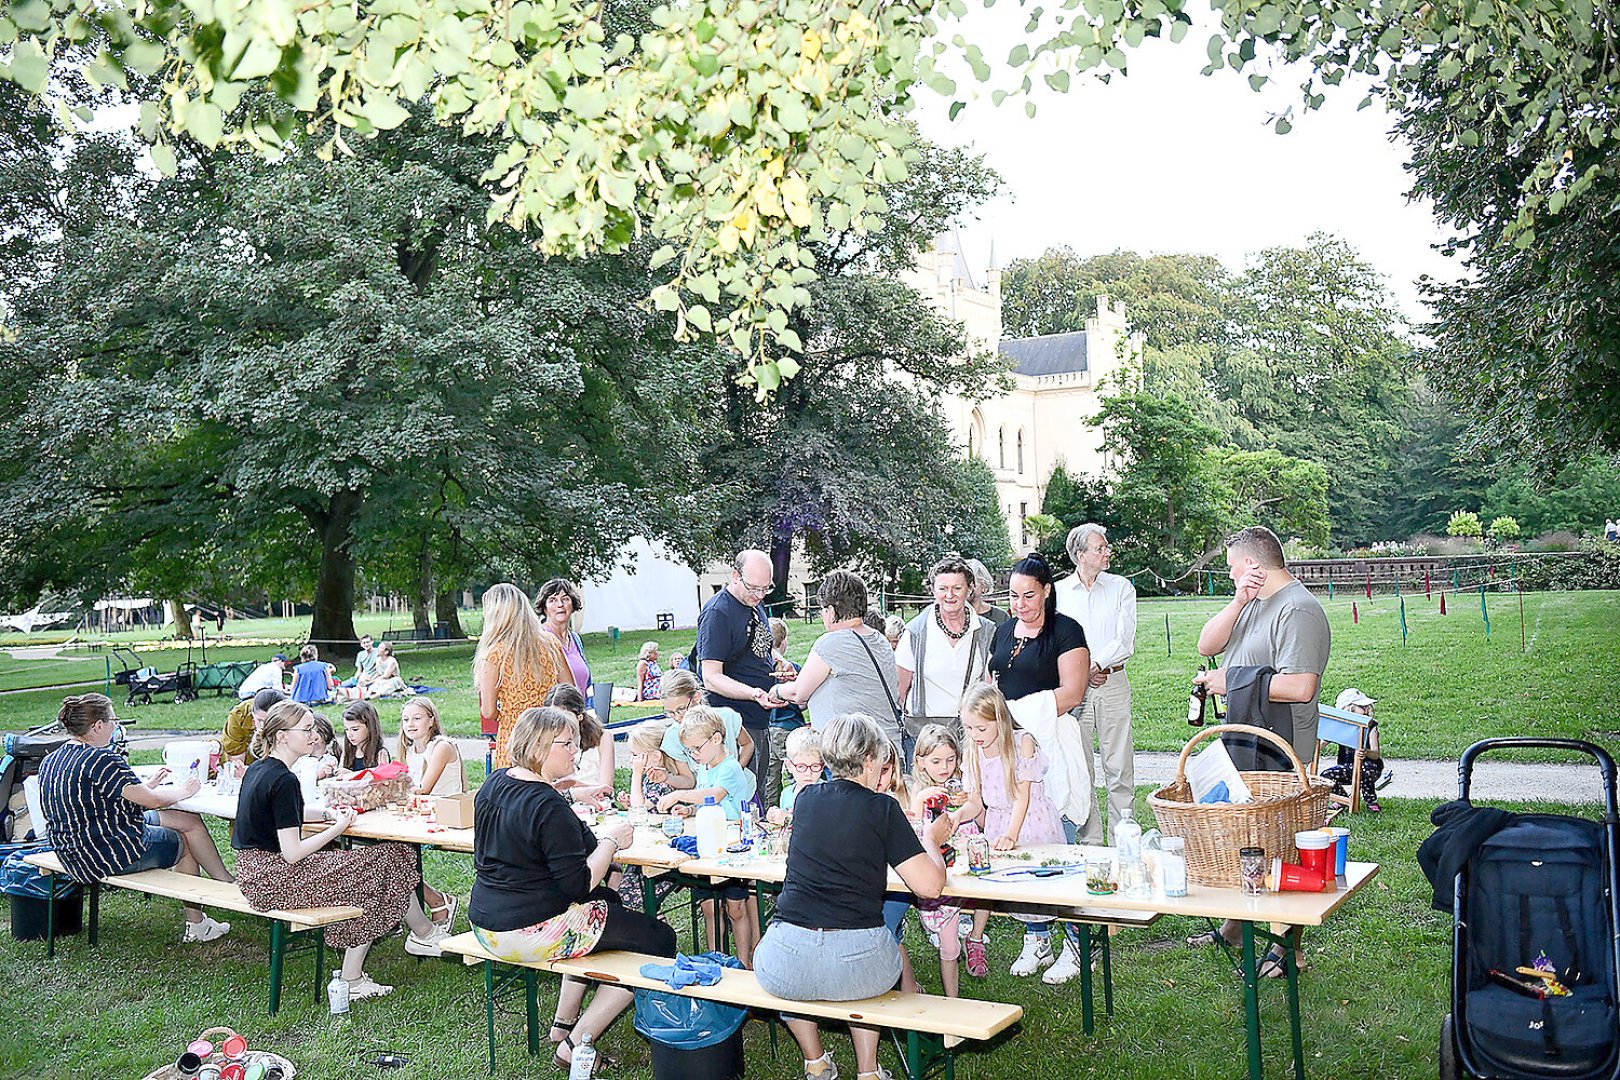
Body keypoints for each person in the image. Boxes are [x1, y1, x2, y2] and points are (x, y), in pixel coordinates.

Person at [470, 706, 677, 1070]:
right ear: (539, 747)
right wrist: (611, 842)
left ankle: (562, 1023)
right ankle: (576, 1042)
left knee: (607, 906)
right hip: (527, 929)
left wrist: (565, 794)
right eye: (567, 744)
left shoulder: (496, 783)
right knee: (659, 941)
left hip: (485, 921)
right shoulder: (547, 805)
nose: (575, 751)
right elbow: (577, 884)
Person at [753, 713, 952, 1080]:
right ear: (870, 759)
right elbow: (929, 886)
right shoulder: (883, 808)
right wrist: (932, 840)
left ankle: (816, 1063)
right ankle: (867, 1072)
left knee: (795, 980)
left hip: (785, 958)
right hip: (860, 963)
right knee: (863, 979)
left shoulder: (806, 799)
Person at [234, 701, 450, 1002]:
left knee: (391, 855)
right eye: (306, 729)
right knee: (379, 866)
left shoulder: (260, 769)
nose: (313, 735)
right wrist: (337, 828)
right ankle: (372, 966)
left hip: (254, 872)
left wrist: (326, 814)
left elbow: (276, 815)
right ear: (282, 736)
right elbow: (293, 853)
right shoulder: (284, 780)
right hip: (275, 879)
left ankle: (422, 935)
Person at [1190, 525, 1331, 978]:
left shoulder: (1298, 610)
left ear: (1252, 564)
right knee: (1250, 831)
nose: (1231, 574)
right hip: (1251, 735)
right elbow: (1207, 645)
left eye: (1233, 567)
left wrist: (1230, 681)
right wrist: (1237, 601)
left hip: (1284, 745)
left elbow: (1301, 685)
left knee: (1284, 840)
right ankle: (1237, 924)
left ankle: (1289, 947)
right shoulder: (1252, 603)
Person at [38, 693, 234, 942]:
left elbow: (99, 800)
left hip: (72, 848)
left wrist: (148, 785)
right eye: (112, 720)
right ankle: (197, 926)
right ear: (98, 726)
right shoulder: (102, 759)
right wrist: (187, 790)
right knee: (183, 843)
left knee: (187, 820)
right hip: (104, 854)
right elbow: (152, 801)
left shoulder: (52, 759)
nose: (115, 726)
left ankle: (225, 882)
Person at [953, 684, 1070, 983]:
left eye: (981, 727)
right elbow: (976, 801)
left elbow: (1022, 797)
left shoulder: (1022, 743)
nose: (975, 735)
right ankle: (1038, 942)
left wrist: (1011, 834)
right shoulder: (973, 753)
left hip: (1031, 823)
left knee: (1048, 886)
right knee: (1019, 890)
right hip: (998, 825)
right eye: (968, 728)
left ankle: (1074, 943)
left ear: (1000, 720)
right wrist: (956, 817)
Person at [657, 706, 761, 965]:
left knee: (737, 908)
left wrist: (678, 794)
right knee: (709, 907)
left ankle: (743, 961)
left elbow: (714, 796)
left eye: (696, 749)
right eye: (689, 751)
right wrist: (689, 808)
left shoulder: (730, 767)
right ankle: (717, 959)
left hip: (734, 847)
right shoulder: (705, 766)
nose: (693, 755)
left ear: (716, 739)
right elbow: (707, 802)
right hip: (711, 845)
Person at [1055, 524, 1138, 844]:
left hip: (1113, 682)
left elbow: (1124, 638)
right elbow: (1055, 641)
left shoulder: (1121, 588)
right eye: (1100, 548)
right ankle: (1090, 842)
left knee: (1119, 766)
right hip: (1073, 688)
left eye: (1106, 547)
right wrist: (1082, 673)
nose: (1107, 552)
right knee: (1081, 766)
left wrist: (1095, 665)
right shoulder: (1059, 593)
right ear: (1080, 555)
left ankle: (1123, 841)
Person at [775, 570, 902, 750]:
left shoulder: (832, 642)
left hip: (852, 751)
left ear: (832, 611)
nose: (822, 616)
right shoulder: (880, 639)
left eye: (823, 610)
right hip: (886, 744)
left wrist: (777, 690)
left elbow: (798, 694)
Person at [695, 549, 782, 808]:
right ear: (735, 576)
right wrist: (753, 692)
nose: (759, 595)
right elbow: (710, 677)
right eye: (753, 588)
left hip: (759, 718)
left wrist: (779, 661)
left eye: (766, 589)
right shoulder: (718, 613)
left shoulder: (755, 602)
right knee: (742, 801)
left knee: (759, 793)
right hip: (735, 725)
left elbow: (758, 644)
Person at [896, 555, 996, 764]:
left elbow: (989, 686)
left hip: (971, 734)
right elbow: (900, 689)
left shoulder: (986, 631)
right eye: (943, 588)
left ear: (969, 589)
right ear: (933, 590)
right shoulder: (915, 632)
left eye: (957, 588)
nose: (949, 595)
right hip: (924, 736)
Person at [908, 724, 973, 997]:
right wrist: (921, 800)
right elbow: (911, 829)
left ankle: (952, 999)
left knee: (950, 945)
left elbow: (980, 817)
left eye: (950, 759)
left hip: (964, 870)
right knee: (947, 943)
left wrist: (968, 804)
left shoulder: (964, 787)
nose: (944, 767)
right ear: (921, 762)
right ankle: (951, 1003)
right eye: (936, 761)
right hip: (935, 875)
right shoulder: (916, 791)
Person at [475, 582, 568, 770]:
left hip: (515, 736)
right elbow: (569, 688)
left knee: (515, 793)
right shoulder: (550, 642)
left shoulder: (495, 654)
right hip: (549, 732)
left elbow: (488, 712)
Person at [397, 694, 462, 926]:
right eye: (406, 720)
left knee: (393, 854)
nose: (410, 725)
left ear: (431, 720)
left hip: (444, 815)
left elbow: (422, 789)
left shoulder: (441, 747)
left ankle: (436, 900)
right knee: (385, 851)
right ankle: (427, 901)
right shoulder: (407, 750)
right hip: (417, 815)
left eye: (417, 718)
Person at [656, 669, 751, 791]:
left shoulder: (725, 717)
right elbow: (689, 781)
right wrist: (666, 778)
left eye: (681, 709)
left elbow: (747, 744)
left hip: (742, 792)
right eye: (670, 713)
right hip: (707, 798)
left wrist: (736, 770)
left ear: (696, 696)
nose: (677, 717)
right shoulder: (673, 736)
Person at [546, 684, 614, 807]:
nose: (559, 723)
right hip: (562, 805)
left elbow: (607, 789)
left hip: (596, 804)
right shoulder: (549, 741)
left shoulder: (603, 738)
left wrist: (574, 784)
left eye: (564, 717)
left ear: (579, 716)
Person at [764, 617, 807, 808]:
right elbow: (803, 701)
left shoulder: (762, 672)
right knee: (795, 773)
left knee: (771, 775)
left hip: (770, 729)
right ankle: (799, 806)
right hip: (791, 728)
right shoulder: (794, 670)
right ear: (784, 642)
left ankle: (770, 810)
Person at [1322, 688, 1385, 812]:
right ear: (1349, 708)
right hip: (1348, 767)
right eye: (1362, 707)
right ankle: (1342, 799)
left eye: (1367, 706)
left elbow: (1376, 754)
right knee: (1325, 776)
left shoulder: (1370, 726)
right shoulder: (1340, 728)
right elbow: (1321, 744)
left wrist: (1366, 752)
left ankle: (1371, 801)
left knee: (1365, 771)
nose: (1366, 710)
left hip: (1370, 766)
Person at [538, 578, 592, 695]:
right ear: (544, 608)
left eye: (565, 599)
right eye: (553, 600)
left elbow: (587, 684)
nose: (560, 605)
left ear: (572, 605)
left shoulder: (575, 639)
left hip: (577, 710)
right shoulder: (539, 639)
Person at [768, 725, 823, 822]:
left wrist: (789, 818)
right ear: (789, 766)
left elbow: (821, 825)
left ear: (823, 765)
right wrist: (775, 816)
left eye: (815, 766)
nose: (808, 773)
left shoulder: (827, 793)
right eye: (801, 767)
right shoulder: (786, 794)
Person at [221, 687, 286, 766]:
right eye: (260, 720)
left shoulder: (294, 719)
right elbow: (236, 759)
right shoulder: (240, 715)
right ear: (253, 714)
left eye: (270, 721)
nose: (264, 726)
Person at [339, 700, 392, 772]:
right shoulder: (347, 750)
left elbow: (383, 779)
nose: (349, 735)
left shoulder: (380, 753)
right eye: (347, 730)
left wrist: (352, 775)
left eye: (355, 729)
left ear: (370, 727)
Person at [965, 558, 1010, 626]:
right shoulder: (950, 617)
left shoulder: (1001, 617)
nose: (967, 587)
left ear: (984, 587)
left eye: (971, 582)